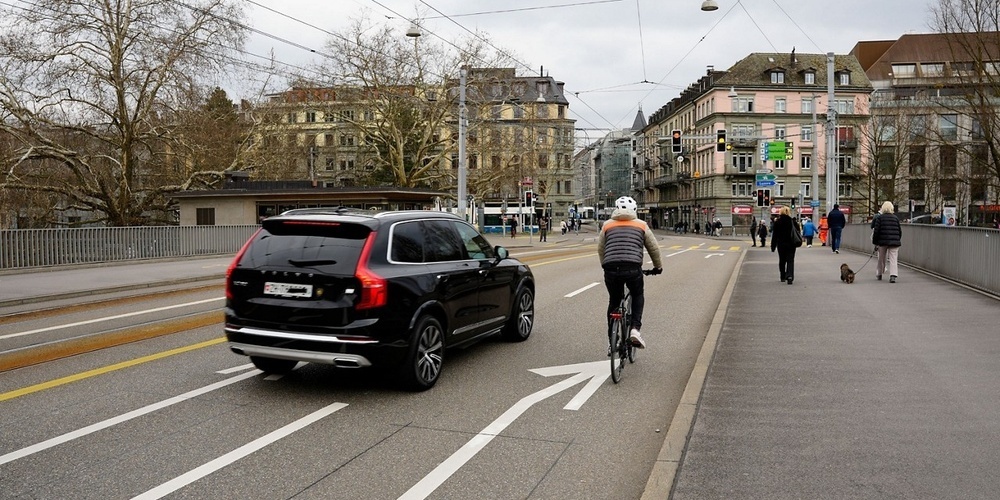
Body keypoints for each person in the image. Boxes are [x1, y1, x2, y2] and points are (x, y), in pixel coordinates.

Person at [598, 196, 663, 349]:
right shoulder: (641, 225)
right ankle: (635, 329)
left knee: (614, 301)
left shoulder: (607, 225)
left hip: (611, 268)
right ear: (634, 210)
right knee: (637, 294)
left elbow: (601, 249)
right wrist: (657, 267)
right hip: (633, 268)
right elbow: (653, 248)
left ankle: (611, 341)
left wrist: (605, 265)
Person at [872, 200, 903, 283]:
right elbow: (899, 231)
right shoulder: (895, 218)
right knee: (893, 258)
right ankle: (893, 275)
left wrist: (875, 242)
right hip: (894, 241)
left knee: (881, 258)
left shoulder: (879, 218)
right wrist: (897, 239)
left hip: (882, 242)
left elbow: (876, 231)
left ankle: (879, 273)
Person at [770, 206, 800, 285]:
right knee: (790, 260)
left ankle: (782, 276)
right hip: (791, 244)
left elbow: (774, 235)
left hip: (781, 244)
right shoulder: (792, 221)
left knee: (782, 260)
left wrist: (773, 246)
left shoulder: (777, 222)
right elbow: (798, 231)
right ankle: (790, 276)